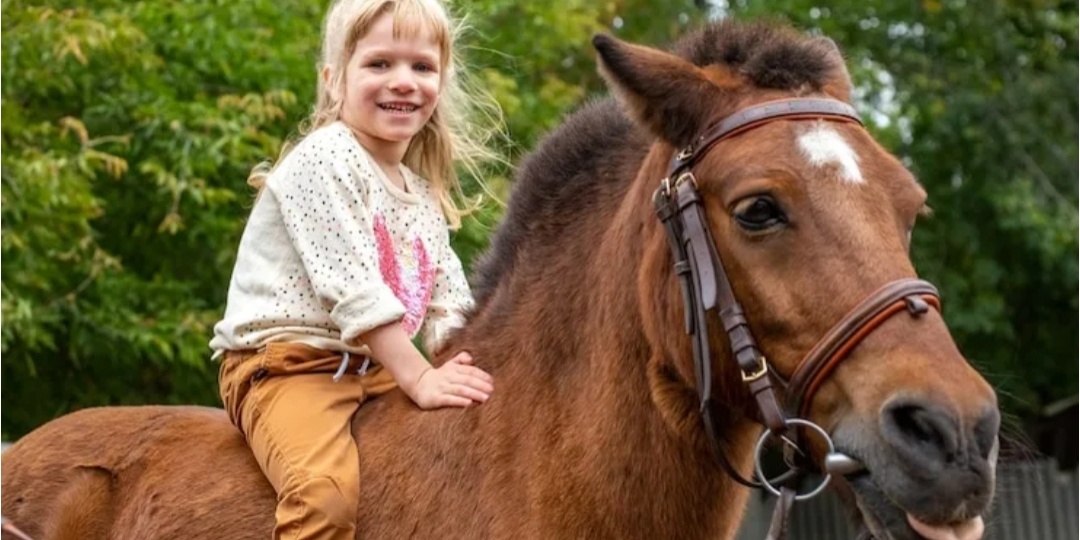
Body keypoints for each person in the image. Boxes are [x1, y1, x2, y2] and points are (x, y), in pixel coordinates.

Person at [211, 0, 500, 537]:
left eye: (421, 66)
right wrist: (420, 377)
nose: (403, 81)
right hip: (289, 366)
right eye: (379, 64)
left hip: (374, 371)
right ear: (333, 80)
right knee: (323, 496)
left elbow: (447, 304)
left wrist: (480, 368)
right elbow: (356, 294)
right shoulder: (325, 160)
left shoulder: (420, 196)